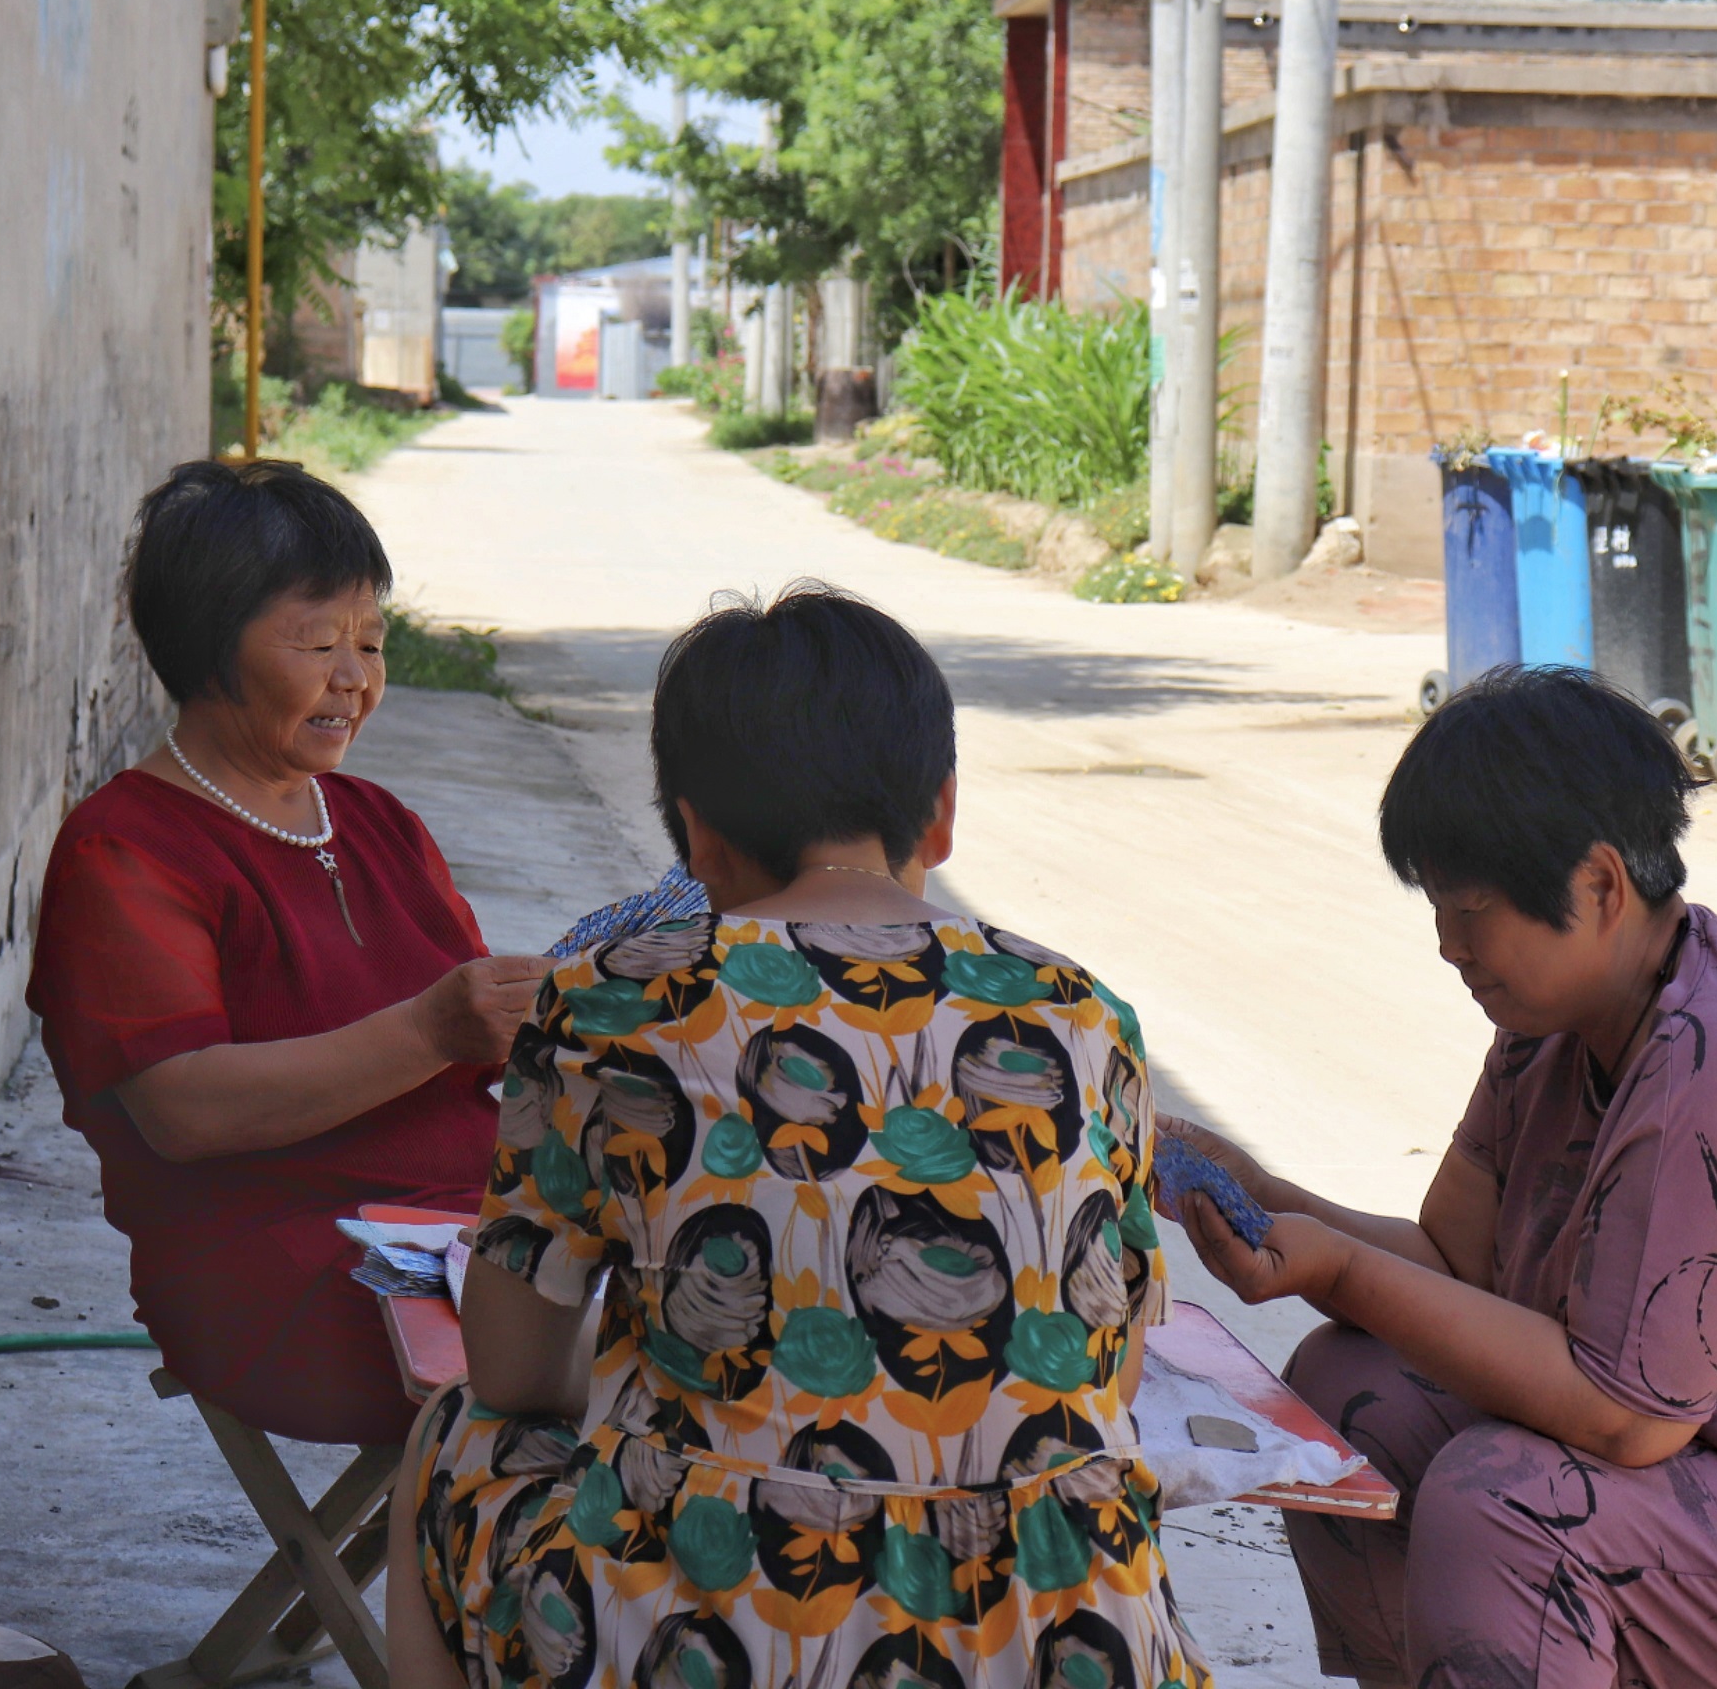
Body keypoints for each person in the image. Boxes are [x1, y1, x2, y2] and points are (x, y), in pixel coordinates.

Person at [1169, 667, 1717, 1689]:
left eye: (1473, 908)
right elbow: (1461, 1263)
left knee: (1503, 1500)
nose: (1448, 944)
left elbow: (1626, 1415)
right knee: (1347, 1387)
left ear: (1597, 886)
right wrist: (1264, 1193)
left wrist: (1336, 1269)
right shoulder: (1551, 1026)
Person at [387, 584, 1209, 1689]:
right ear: (943, 813)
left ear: (699, 838)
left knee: (454, 1434)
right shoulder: (1085, 1014)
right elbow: (1102, 1372)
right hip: (1066, 1636)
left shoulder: (611, 997)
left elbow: (511, 1365)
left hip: (721, 1627)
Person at [27, 459, 550, 1446]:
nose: (354, 677)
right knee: (623, 1378)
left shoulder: (378, 819)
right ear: (207, 646)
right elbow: (181, 1109)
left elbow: (486, 1052)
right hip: (278, 1278)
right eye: (317, 642)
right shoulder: (126, 845)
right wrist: (430, 1025)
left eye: (370, 640)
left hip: (460, 1236)